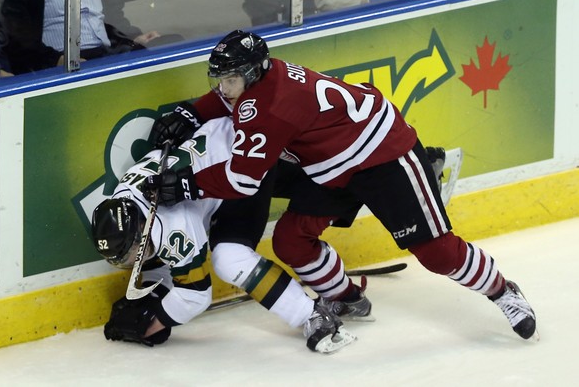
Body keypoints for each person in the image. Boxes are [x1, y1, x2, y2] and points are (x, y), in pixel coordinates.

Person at [145, 30, 538, 341]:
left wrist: (184, 186)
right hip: (329, 161)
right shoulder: (265, 77)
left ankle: (504, 292)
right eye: (219, 79)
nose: (222, 88)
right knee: (291, 242)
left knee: (437, 253)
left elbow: (242, 181)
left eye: (229, 79)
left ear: (251, 73)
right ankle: (346, 298)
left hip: (383, 155)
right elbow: (228, 104)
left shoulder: (269, 108)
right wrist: (192, 111)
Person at [91, 116, 356, 353]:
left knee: (230, 259)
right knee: (160, 254)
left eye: (131, 253)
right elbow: (159, 257)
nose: (130, 261)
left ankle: (312, 316)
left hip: (240, 168)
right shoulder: (125, 207)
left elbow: (196, 294)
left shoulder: (172, 224)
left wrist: (153, 322)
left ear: (140, 227)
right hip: (221, 146)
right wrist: (154, 297)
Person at [0, 0, 178, 75]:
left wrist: (133, 37)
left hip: (107, 53)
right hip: (66, 60)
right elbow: (19, 46)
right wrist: (56, 61)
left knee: (172, 43)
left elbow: (112, 19)